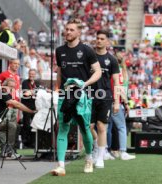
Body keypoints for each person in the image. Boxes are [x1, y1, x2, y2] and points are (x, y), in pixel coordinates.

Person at [51, 18, 102, 176]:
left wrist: (85, 84)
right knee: (63, 128)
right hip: (65, 94)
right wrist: (57, 89)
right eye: (66, 29)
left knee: (85, 128)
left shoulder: (87, 50)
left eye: (71, 30)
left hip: (83, 94)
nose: (68, 32)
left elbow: (98, 72)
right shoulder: (59, 50)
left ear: (79, 32)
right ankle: (61, 165)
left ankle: (88, 158)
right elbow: (59, 71)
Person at [0, 78, 36, 157]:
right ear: (4, 86)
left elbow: (16, 105)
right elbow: (16, 104)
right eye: (10, 86)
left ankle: (7, 149)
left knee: (15, 126)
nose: (12, 89)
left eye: (14, 87)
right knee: (12, 126)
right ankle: (8, 151)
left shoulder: (6, 94)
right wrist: (31, 111)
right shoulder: (2, 93)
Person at [90, 29, 120, 169]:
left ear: (107, 42)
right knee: (88, 127)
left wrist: (117, 101)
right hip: (89, 96)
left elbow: (117, 81)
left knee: (101, 126)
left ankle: (100, 157)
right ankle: (97, 144)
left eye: (102, 38)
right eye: (98, 38)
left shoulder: (112, 60)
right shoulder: (89, 57)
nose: (99, 40)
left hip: (105, 97)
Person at [107, 52, 136, 160]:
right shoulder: (121, 72)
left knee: (108, 127)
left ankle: (106, 151)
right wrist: (126, 103)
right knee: (122, 127)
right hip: (116, 101)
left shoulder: (111, 71)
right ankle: (123, 151)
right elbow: (120, 89)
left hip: (108, 100)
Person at [21, 69, 40, 148]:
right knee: (26, 123)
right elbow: (26, 93)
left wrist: (33, 92)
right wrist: (35, 91)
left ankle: (33, 142)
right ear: (28, 74)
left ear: (35, 75)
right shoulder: (25, 82)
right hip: (26, 106)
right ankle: (25, 142)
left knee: (34, 124)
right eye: (30, 74)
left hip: (34, 106)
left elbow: (38, 93)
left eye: (33, 74)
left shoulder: (37, 83)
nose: (31, 75)